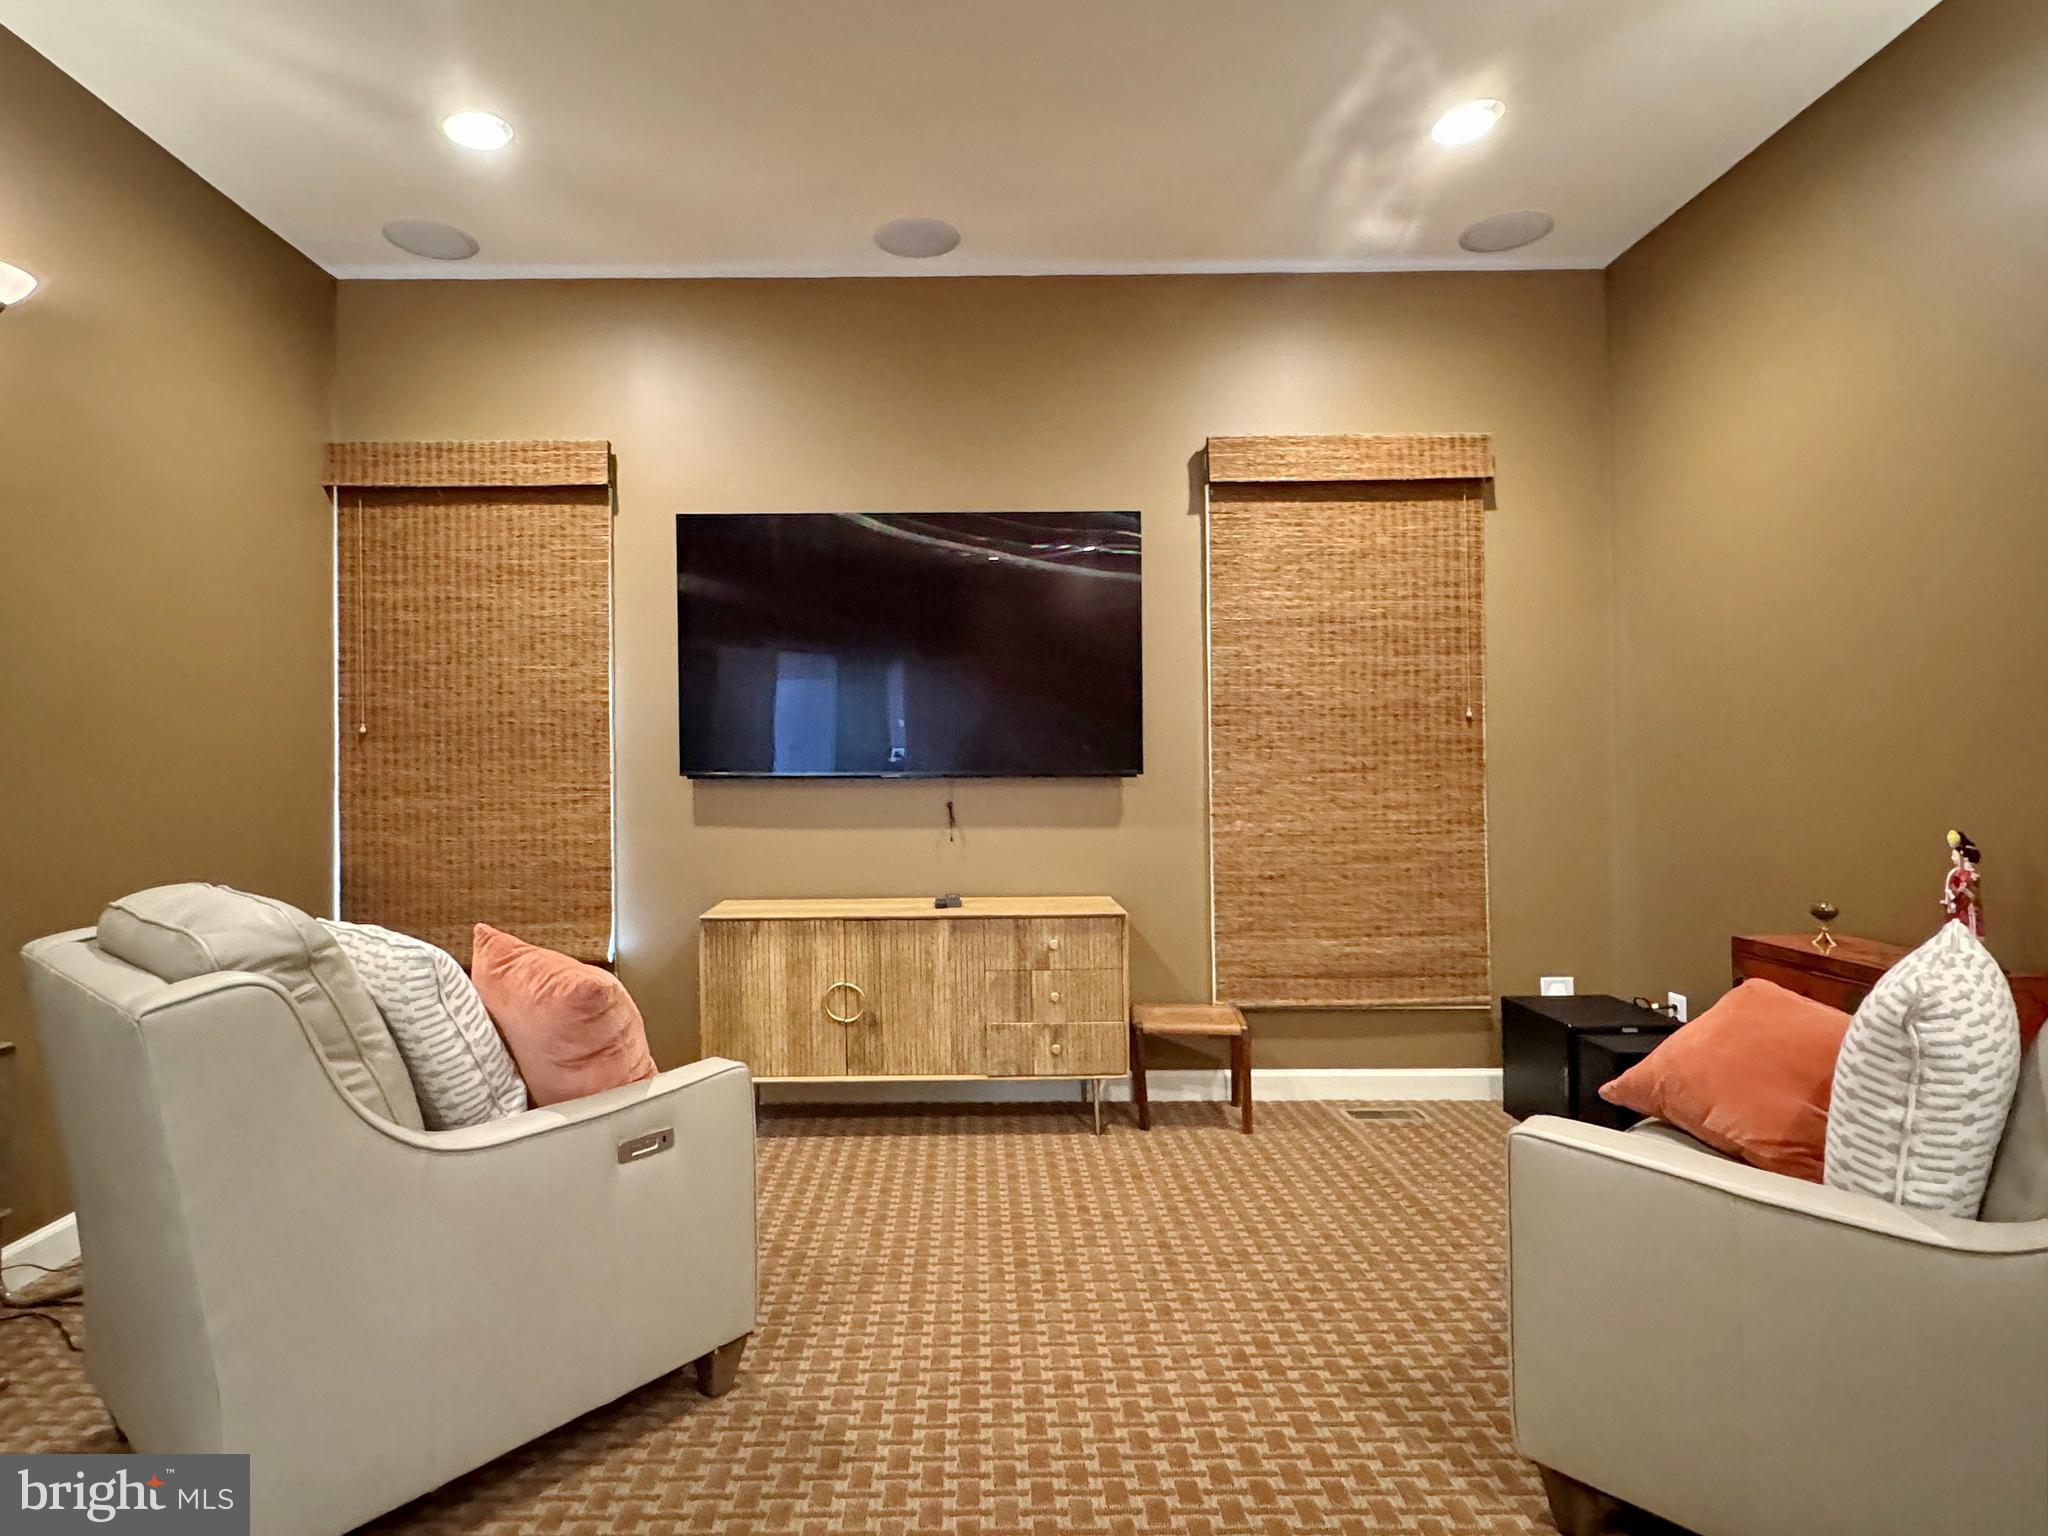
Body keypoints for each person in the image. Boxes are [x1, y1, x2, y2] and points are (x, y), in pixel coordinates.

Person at [1942, 828, 1983, 937]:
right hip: (1961, 911)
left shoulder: (1967, 874)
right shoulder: (1959, 874)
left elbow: (1969, 893)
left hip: (1968, 910)